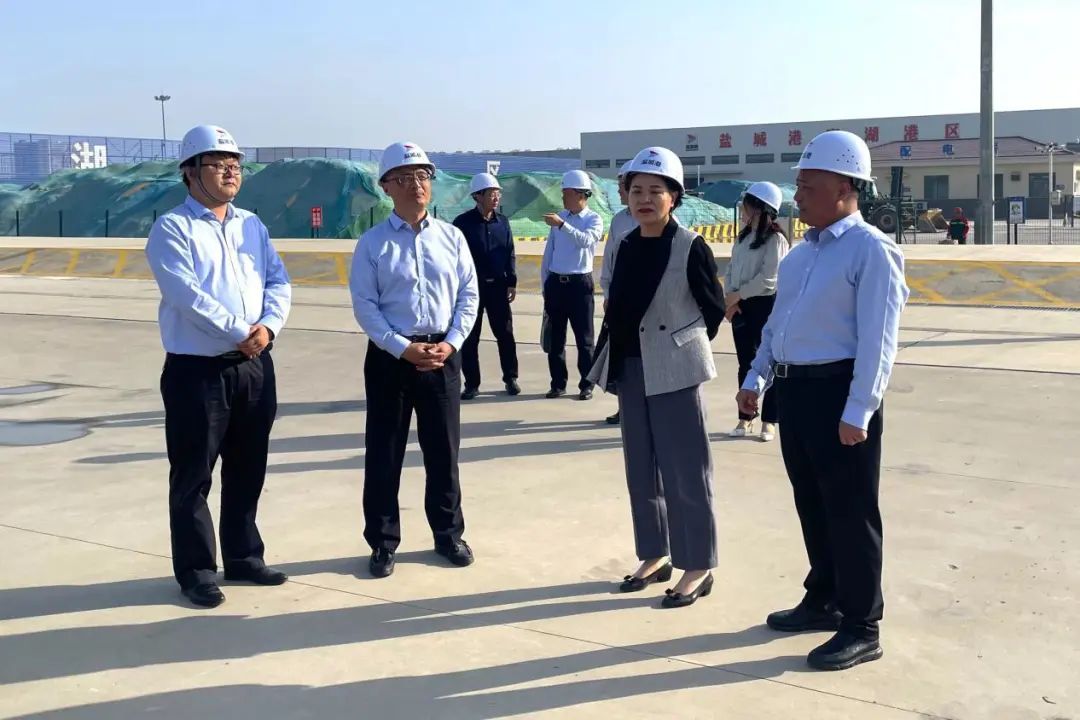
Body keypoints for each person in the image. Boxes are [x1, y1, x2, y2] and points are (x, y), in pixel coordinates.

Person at [736, 130, 909, 670]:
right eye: (799, 184)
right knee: (811, 502)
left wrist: (860, 410)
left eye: (809, 185)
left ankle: (862, 624)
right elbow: (777, 326)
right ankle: (825, 597)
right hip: (796, 392)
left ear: (845, 187)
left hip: (840, 394)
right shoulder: (799, 256)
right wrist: (756, 378)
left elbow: (879, 341)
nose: (798, 195)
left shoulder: (872, 250)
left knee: (851, 511)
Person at [146, 124, 292, 608]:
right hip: (198, 371)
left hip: (254, 366)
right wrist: (240, 331)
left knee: (248, 468)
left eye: (236, 165)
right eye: (218, 164)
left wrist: (268, 328)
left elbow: (278, 280)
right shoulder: (173, 228)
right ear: (190, 172)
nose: (231, 172)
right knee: (194, 475)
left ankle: (244, 556)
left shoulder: (252, 225)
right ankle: (196, 570)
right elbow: (186, 295)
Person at [588, 146, 726, 608]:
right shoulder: (626, 244)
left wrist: (680, 346)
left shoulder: (690, 246)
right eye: (636, 191)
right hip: (631, 367)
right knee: (641, 469)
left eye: (655, 191)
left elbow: (712, 310)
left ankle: (698, 565)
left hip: (675, 370)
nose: (644, 199)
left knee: (686, 471)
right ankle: (655, 553)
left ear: (674, 197)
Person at [349, 142, 479, 579]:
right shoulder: (373, 243)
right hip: (391, 359)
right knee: (384, 454)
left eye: (423, 176)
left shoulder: (452, 238)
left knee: (444, 452)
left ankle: (448, 534)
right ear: (386, 187)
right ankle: (383, 542)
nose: (416, 185)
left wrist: (452, 343)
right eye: (404, 178)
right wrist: (400, 347)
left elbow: (468, 296)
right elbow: (365, 305)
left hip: (442, 356)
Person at [724, 181, 788, 442]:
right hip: (740, 306)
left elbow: (769, 279)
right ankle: (745, 417)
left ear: (759, 210)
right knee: (745, 362)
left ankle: (769, 420)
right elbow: (730, 270)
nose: (742, 210)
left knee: (769, 363)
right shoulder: (742, 238)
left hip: (765, 305)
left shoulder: (775, 240)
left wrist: (738, 295)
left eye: (746, 206)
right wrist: (730, 300)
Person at [453, 173, 519, 399]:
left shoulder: (503, 222)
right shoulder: (462, 224)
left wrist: (511, 281)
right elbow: (454, 257)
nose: (496, 198)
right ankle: (472, 383)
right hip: (471, 289)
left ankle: (511, 378)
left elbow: (510, 252)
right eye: (492, 194)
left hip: (498, 288)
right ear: (477, 196)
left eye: (498, 193)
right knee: (470, 337)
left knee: (506, 335)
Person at [540, 169, 604, 400]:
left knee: (584, 340)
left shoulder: (593, 219)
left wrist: (562, 225)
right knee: (555, 339)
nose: (563, 197)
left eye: (566, 193)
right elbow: (549, 252)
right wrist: (545, 283)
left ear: (579, 194)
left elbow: (586, 241)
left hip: (580, 285)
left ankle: (587, 384)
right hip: (557, 283)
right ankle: (558, 383)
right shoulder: (560, 216)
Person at [600, 161, 636, 424]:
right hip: (620, 300)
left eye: (621, 185)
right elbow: (609, 258)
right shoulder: (619, 220)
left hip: (647, 303)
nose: (618, 190)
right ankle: (625, 405)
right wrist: (607, 293)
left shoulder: (661, 218)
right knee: (622, 357)